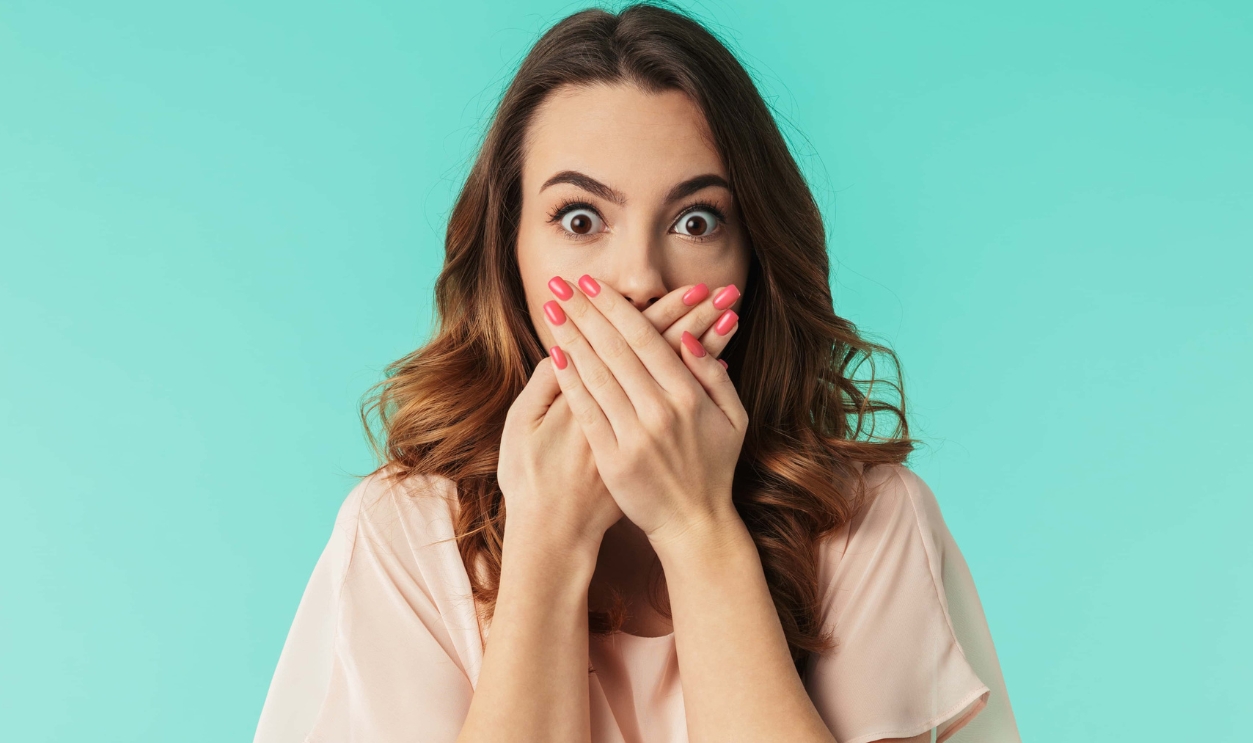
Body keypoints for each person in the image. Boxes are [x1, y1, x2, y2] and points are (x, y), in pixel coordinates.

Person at [252, 4, 1021, 742]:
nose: (640, 279)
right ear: (509, 252)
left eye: (696, 221)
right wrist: (546, 550)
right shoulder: (403, 533)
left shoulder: (866, 521)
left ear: (752, 258)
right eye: (580, 220)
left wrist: (696, 528)